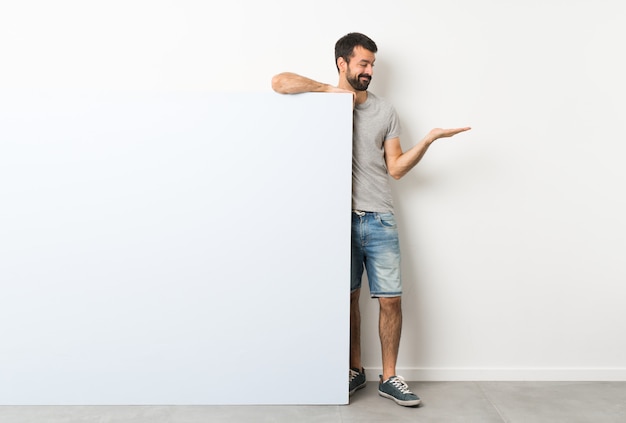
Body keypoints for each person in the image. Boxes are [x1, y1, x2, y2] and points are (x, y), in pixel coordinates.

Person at [271, 32, 470, 407]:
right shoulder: (319, 102)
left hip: (379, 219)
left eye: (372, 65)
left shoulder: (385, 111)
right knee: (346, 300)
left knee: (390, 300)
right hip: (336, 221)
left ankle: (390, 377)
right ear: (342, 63)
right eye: (363, 63)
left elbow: (395, 168)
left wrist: (428, 140)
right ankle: (354, 370)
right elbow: (278, 83)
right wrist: (329, 92)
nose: (369, 71)